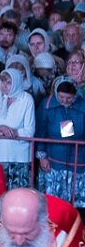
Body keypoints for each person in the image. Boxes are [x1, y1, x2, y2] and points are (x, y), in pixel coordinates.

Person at [0, 67, 37, 221]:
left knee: (17, 200)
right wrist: (0, 128)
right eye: (2, 81)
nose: (4, 86)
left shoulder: (26, 99)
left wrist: (12, 132)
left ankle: (18, 232)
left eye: (8, 82)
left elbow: (29, 131)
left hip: (19, 159)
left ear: (17, 82)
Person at [36, 77, 85, 209]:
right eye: (61, 97)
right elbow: (41, 132)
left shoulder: (83, 106)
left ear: (75, 95)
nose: (64, 101)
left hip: (79, 160)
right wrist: (42, 157)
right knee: (53, 202)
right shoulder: (46, 105)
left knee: (77, 203)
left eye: (68, 98)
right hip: (54, 160)